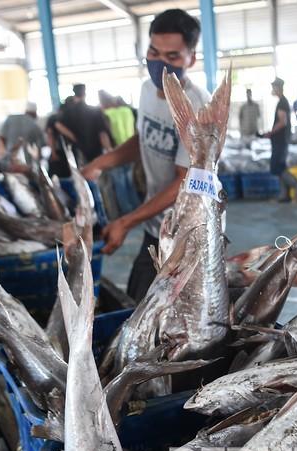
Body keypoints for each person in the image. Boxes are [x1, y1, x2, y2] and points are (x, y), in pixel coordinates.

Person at [79, 8, 209, 302]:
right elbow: (144, 139)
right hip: (157, 228)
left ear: (191, 58)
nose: (160, 63)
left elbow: (186, 181)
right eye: (154, 52)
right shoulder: (147, 90)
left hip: (189, 235)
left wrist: (126, 221)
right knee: (136, 304)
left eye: (172, 56)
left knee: (173, 322)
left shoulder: (197, 106)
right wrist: (101, 163)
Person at [263, 77, 297, 203]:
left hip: (280, 140)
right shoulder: (283, 102)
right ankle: (284, 195)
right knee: (280, 166)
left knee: (277, 167)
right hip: (281, 140)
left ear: (277, 88)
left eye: (273, 87)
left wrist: (271, 132)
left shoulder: (282, 103)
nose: (272, 90)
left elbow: (282, 122)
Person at [61, 83, 112, 164]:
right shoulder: (95, 110)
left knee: (82, 175)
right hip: (96, 152)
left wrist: (74, 138)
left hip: (78, 152)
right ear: (85, 94)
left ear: (74, 94)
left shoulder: (68, 113)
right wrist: (109, 150)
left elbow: (59, 126)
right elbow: (102, 133)